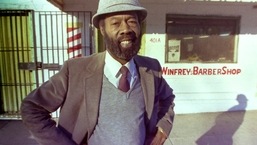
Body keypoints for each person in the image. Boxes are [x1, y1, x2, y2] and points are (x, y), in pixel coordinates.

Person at [20, 0, 176, 145]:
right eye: (115, 23)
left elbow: (168, 98)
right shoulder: (75, 70)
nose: (126, 29)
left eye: (132, 21)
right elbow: (32, 107)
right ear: (102, 29)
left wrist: (163, 128)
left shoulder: (151, 68)